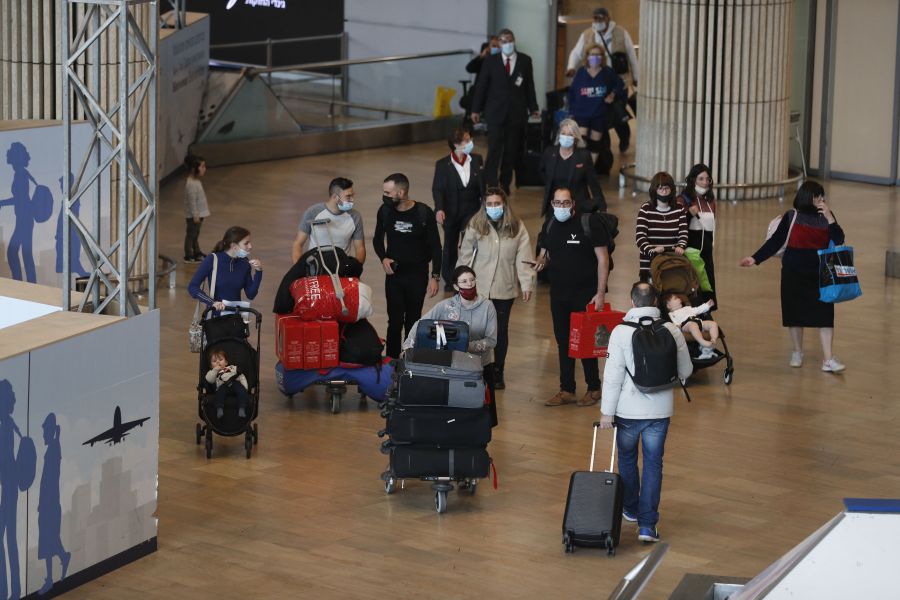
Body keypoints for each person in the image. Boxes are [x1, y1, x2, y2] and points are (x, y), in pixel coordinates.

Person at [598, 282, 692, 543]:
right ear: (656, 301)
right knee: (653, 464)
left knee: (627, 459)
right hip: (659, 411)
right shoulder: (671, 329)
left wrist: (607, 413)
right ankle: (647, 526)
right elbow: (685, 370)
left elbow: (612, 377)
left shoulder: (620, 332)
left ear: (632, 302)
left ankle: (630, 507)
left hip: (627, 411)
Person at [740, 181, 846, 372]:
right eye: (817, 197)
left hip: (821, 273)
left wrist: (830, 218)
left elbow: (839, 239)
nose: (821, 200)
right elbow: (775, 241)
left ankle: (828, 359)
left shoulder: (826, 217)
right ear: (807, 197)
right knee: (795, 315)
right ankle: (797, 352)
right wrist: (755, 258)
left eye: (822, 196)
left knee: (825, 316)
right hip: (794, 273)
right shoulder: (792, 216)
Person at [534, 187, 610, 407]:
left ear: (573, 204)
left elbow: (603, 260)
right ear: (552, 205)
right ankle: (567, 389)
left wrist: (600, 293)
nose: (561, 207)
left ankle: (594, 388)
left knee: (586, 342)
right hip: (558, 294)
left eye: (565, 203)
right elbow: (545, 253)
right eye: (557, 203)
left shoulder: (589, 223)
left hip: (585, 294)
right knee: (562, 341)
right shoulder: (550, 224)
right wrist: (540, 262)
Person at [457, 187, 534, 389]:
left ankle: (498, 370)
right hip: (479, 288)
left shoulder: (517, 226)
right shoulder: (476, 224)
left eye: (497, 203)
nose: (493, 207)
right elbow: (465, 254)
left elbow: (524, 257)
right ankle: (476, 368)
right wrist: (460, 281)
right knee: (476, 330)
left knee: (500, 331)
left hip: (504, 288)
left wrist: (526, 283)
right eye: (489, 204)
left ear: (504, 204)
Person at [403, 265, 499, 424]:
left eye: (472, 280)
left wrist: (467, 346)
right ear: (456, 286)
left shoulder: (488, 306)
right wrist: (408, 346)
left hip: (480, 365)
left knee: (483, 415)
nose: (469, 284)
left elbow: (492, 340)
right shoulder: (446, 306)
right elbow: (421, 324)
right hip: (454, 365)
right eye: (464, 281)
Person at [374, 173, 442, 358]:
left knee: (413, 321)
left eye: (388, 192)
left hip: (417, 275)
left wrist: (435, 277)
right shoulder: (385, 211)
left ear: (401, 192)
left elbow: (436, 247)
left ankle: (410, 359)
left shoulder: (423, 213)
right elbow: (377, 240)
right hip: (394, 276)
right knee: (394, 322)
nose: (385, 196)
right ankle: (392, 363)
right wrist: (383, 258)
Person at [470, 28, 540, 194]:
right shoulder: (491, 61)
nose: (507, 43)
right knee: (494, 148)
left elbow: (529, 86)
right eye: (503, 41)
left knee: (511, 151)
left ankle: (505, 184)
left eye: (510, 40)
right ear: (499, 44)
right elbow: (482, 86)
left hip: (516, 113)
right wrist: (476, 109)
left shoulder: (525, 60)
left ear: (514, 40)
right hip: (495, 113)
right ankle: (491, 183)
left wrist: (534, 107)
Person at [565, 7, 639, 152]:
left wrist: (636, 77)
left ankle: (624, 137)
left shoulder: (621, 32)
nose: (597, 21)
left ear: (607, 18)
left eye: (600, 18)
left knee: (618, 114)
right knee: (602, 117)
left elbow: (632, 56)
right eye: (595, 18)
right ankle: (602, 152)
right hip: (597, 82)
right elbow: (576, 52)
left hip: (618, 82)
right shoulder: (587, 34)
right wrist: (571, 67)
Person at [432, 128, 486, 290]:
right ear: (456, 145)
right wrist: (439, 208)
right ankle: (450, 279)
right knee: (449, 244)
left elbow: (483, 185)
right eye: (466, 140)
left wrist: (485, 204)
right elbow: (438, 189)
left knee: (469, 242)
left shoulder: (477, 160)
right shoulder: (442, 165)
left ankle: (470, 275)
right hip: (451, 210)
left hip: (472, 209)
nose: (470, 143)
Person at [567, 44, 625, 174]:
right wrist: (571, 113)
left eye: (598, 54)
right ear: (587, 57)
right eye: (592, 54)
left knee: (595, 144)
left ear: (602, 57)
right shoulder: (581, 72)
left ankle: (588, 172)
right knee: (581, 143)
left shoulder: (607, 72)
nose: (595, 57)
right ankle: (578, 170)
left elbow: (620, 84)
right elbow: (572, 93)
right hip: (581, 113)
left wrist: (612, 94)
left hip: (599, 113)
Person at [539, 118, 605, 217]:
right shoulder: (549, 153)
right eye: (563, 133)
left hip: (578, 207)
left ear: (576, 138)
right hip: (554, 207)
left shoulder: (584, 156)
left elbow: (593, 182)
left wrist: (602, 206)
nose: (566, 137)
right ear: (559, 135)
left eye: (570, 134)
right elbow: (542, 171)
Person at [292, 177, 366, 264]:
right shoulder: (313, 212)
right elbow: (298, 243)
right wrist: (298, 267)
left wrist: (356, 268)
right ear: (335, 197)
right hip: (315, 266)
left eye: (352, 195)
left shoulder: (355, 217)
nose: (352, 199)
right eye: (348, 196)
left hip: (341, 267)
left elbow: (360, 248)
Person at [188, 226, 263, 313]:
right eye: (246, 243)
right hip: (215, 319)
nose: (250, 246)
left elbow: (251, 294)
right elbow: (192, 287)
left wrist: (259, 271)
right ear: (233, 246)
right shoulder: (212, 259)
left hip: (235, 318)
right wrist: (212, 302)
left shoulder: (244, 263)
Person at [37, 413, 70, 595]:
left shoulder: (53, 450)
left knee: (48, 541)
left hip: (50, 504)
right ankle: (64, 558)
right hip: (48, 504)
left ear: (49, 431)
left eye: (44, 431)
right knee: (50, 540)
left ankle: (50, 579)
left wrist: (58, 437)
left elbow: (48, 481)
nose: (42, 435)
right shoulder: (52, 449)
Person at [635, 172, 688, 282]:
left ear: (671, 190)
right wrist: (652, 251)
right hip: (649, 264)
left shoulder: (679, 208)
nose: (663, 192)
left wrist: (681, 246)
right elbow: (640, 238)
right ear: (654, 190)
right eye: (660, 188)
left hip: (672, 263)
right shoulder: (645, 209)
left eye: (667, 188)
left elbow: (683, 233)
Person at [0, 141, 38, 282]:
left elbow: (20, 198)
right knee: (25, 253)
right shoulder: (22, 173)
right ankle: (29, 284)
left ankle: (21, 283)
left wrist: (2, 202)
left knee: (13, 252)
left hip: (24, 218)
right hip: (24, 218)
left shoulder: (20, 175)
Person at [679, 163, 717, 304]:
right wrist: (688, 214)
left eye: (707, 179)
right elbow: (678, 224)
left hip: (706, 254)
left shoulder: (710, 201)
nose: (705, 182)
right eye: (701, 179)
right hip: (690, 252)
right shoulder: (683, 199)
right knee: (692, 289)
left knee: (706, 287)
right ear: (693, 179)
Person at [662, 294, 719, 359]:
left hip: (698, 322)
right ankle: (702, 341)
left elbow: (698, 309)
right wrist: (677, 326)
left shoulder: (687, 308)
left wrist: (707, 305)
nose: (680, 299)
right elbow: (673, 323)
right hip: (686, 325)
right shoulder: (671, 314)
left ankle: (713, 339)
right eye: (676, 298)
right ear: (668, 306)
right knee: (693, 325)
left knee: (713, 324)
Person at [206, 348, 250, 419]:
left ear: (226, 362)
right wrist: (215, 370)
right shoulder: (212, 372)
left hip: (235, 384)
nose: (218, 362)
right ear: (211, 366)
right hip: (223, 386)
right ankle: (219, 408)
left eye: (220, 360)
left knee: (241, 390)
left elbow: (241, 376)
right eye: (214, 361)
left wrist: (245, 387)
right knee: (219, 393)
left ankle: (242, 408)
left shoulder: (232, 368)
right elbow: (210, 380)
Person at [183, 154, 210, 263]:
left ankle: (196, 251)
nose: (205, 169)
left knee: (195, 234)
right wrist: (195, 215)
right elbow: (192, 202)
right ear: (194, 168)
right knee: (191, 235)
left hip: (199, 214)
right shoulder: (191, 184)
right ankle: (188, 254)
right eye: (202, 167)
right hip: (195, 216)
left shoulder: (196, 182)